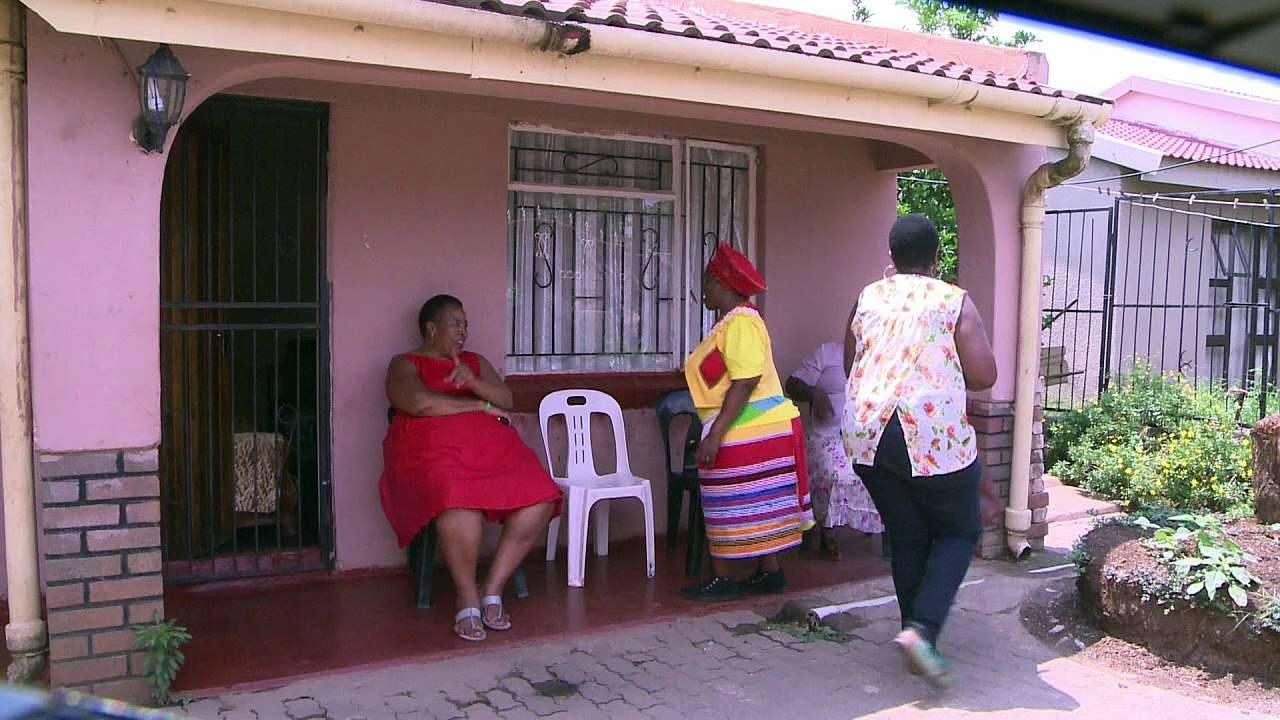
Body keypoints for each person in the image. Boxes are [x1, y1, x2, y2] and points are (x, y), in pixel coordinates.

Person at [842, 214, 998, 687]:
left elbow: (853, 360)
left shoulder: (869, 296)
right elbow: (986, 374)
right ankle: (922, 633)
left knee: (908, 534)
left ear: (891, 257)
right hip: (930, 432)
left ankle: (914, 630)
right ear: (936, 258)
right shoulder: (953, 300)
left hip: (868, 431)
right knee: (958, 530)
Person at [380, 294, 561, 643]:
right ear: (431, 328)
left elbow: (506, 399)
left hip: (492, 452)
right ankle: (466, 598)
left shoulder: (474, 362)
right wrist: (480, 405)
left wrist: (473, 382)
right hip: (432, 455)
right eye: (456, 323)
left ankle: (491, 588)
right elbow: (418, 402)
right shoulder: (404, 363)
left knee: (541, 494)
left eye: (466, 324)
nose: (464, 331)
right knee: (457, 496)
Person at [679, 243, 815, 602]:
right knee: (754, 503)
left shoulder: (741, 322)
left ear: (724, 285)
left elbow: (745, 380)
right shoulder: (732, 323)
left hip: (751, 428)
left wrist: (716, 433)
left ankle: (724, 578)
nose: (704, 288)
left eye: (708, 281)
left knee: (727, 502)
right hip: (755, 428)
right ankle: (769, 572)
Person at [785, 343, 884, 560]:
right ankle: (828, 534)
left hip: (865, 440)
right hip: (827, 437)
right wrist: (814, 393)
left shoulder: (882, 357)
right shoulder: (828, 353)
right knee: (837, 474)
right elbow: (792, 384)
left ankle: (889, 536)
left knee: (887, 471)